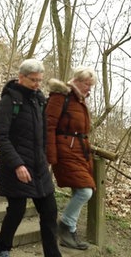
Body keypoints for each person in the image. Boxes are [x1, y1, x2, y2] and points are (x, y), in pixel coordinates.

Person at [0, 59, 61, 257]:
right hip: (16, 167)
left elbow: (44, 133)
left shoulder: (39, 100)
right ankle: (3, 248)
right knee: (16, 211)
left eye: (40, 80)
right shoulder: (9, 101)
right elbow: (0, 136)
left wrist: (46, 156)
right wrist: (17, 164)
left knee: (49, 212)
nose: (37, 84)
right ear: (21, 77)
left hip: (38, 166)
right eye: (33, 80)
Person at [45, 66, 97, 251]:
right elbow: (49, 126)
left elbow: (82, 132)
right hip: (65, 151)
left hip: (79, 152)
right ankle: (65, 225)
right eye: (87, 84)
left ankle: (70, 232)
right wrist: (51, 154)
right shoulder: (61, 96)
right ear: (77, 80)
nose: (89, 89)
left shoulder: (79, 100)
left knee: (82, 190)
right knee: (85, 191)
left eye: (91, 86)